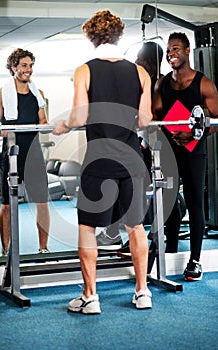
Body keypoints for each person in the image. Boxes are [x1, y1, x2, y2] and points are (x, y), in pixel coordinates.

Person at [53, 10, 153, 313]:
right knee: (135, 227)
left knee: (87, 227)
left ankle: (90, 296)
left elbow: (80, 116)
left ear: (91, 37)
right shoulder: (140, 72)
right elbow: (146, 119)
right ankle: (143, 291)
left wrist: (63, 127)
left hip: (100, 160)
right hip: (133, 160)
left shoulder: (85, 70)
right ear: (119, 36)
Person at [152, 32, 218, 281]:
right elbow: (156, 118)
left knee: (194, 203)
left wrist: (194, 134)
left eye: (176, 49)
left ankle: (195, 260)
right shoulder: (162, 83)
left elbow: (215, 120)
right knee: (167, 202)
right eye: (169, 50)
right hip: (169, 152)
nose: (172, 54)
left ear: (188, 51)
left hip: (194, 152)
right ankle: (168, 252)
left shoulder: (203, 83)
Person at [0, 48, 50, 256]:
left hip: (34, 153)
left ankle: (43, 248)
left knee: (42, 203)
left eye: (31, 65)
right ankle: (5, 250)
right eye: (24, 65)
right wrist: (3, 129)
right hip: (11, 152)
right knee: (7, 205)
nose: (29, 70)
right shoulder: (1, 94)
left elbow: (43, 121)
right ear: (13, 67)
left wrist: (48, 126)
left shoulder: (39, 94)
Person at [117, 41, 164, 257]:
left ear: (152, 62)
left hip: (160, 147)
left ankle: (162, 242)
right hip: (140, 145)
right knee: (138, 196)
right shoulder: (138, 81)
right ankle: (139, 239)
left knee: (161, 195)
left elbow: (151, 115)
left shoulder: (161, 84)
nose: (136, 62)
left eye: (140, 59)